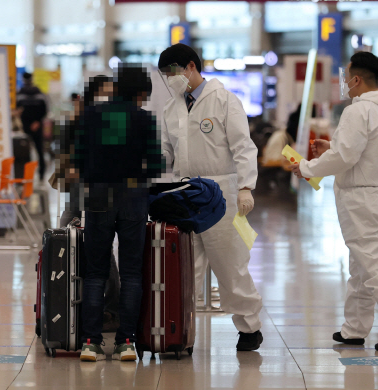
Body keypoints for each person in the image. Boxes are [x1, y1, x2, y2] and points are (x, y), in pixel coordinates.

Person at [290, 52, 378, 351]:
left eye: (346, 75)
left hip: (363, 198)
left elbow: (345, 156)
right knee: (363, 265)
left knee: (373, 264)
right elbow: (364, 150)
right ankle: (355, 328)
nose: (344, 82)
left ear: (357, 79)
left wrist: (308, 167)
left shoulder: (357, 111)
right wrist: (333, 145)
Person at [158, 43, 264, 351]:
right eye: (166, 75)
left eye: (174, 72)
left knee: (229, 265)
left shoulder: (224, 100)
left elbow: (244, 147)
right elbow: (167, 151)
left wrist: (246, 186)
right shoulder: (171, 108)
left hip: (220, 193)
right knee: (184, 268)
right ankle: (180, 332)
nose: (171, 80)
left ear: (191, 66)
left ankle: (249, 327)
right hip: (184, 191)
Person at [75, 64, 164, 362]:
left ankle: (90, 341)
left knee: (95, 272)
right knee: (131, 273)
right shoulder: (144, 119)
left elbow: (77, 160)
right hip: (133, 195)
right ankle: (127, 342)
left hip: (99, 195)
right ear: (140, 93)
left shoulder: (90, 115)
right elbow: (154, 166)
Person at [55, 75, 120, 333]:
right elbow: (65, 152)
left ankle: (111, 309)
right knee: (65, 239)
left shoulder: (117, 119)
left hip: (104, 190)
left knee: (102, 246)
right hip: (79, 189)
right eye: (105, 92)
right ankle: (67, 304)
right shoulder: (79, 119)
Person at [17, 72, 48, 180]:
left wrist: (31, 122)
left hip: (26, 126)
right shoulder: (39, 92)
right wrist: (37, 121)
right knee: (39, 150)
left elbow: (17, 110)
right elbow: (45, 109)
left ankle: (27, 176)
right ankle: (41, 175)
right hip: (37, 126)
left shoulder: (20, 93)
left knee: (24, 152)